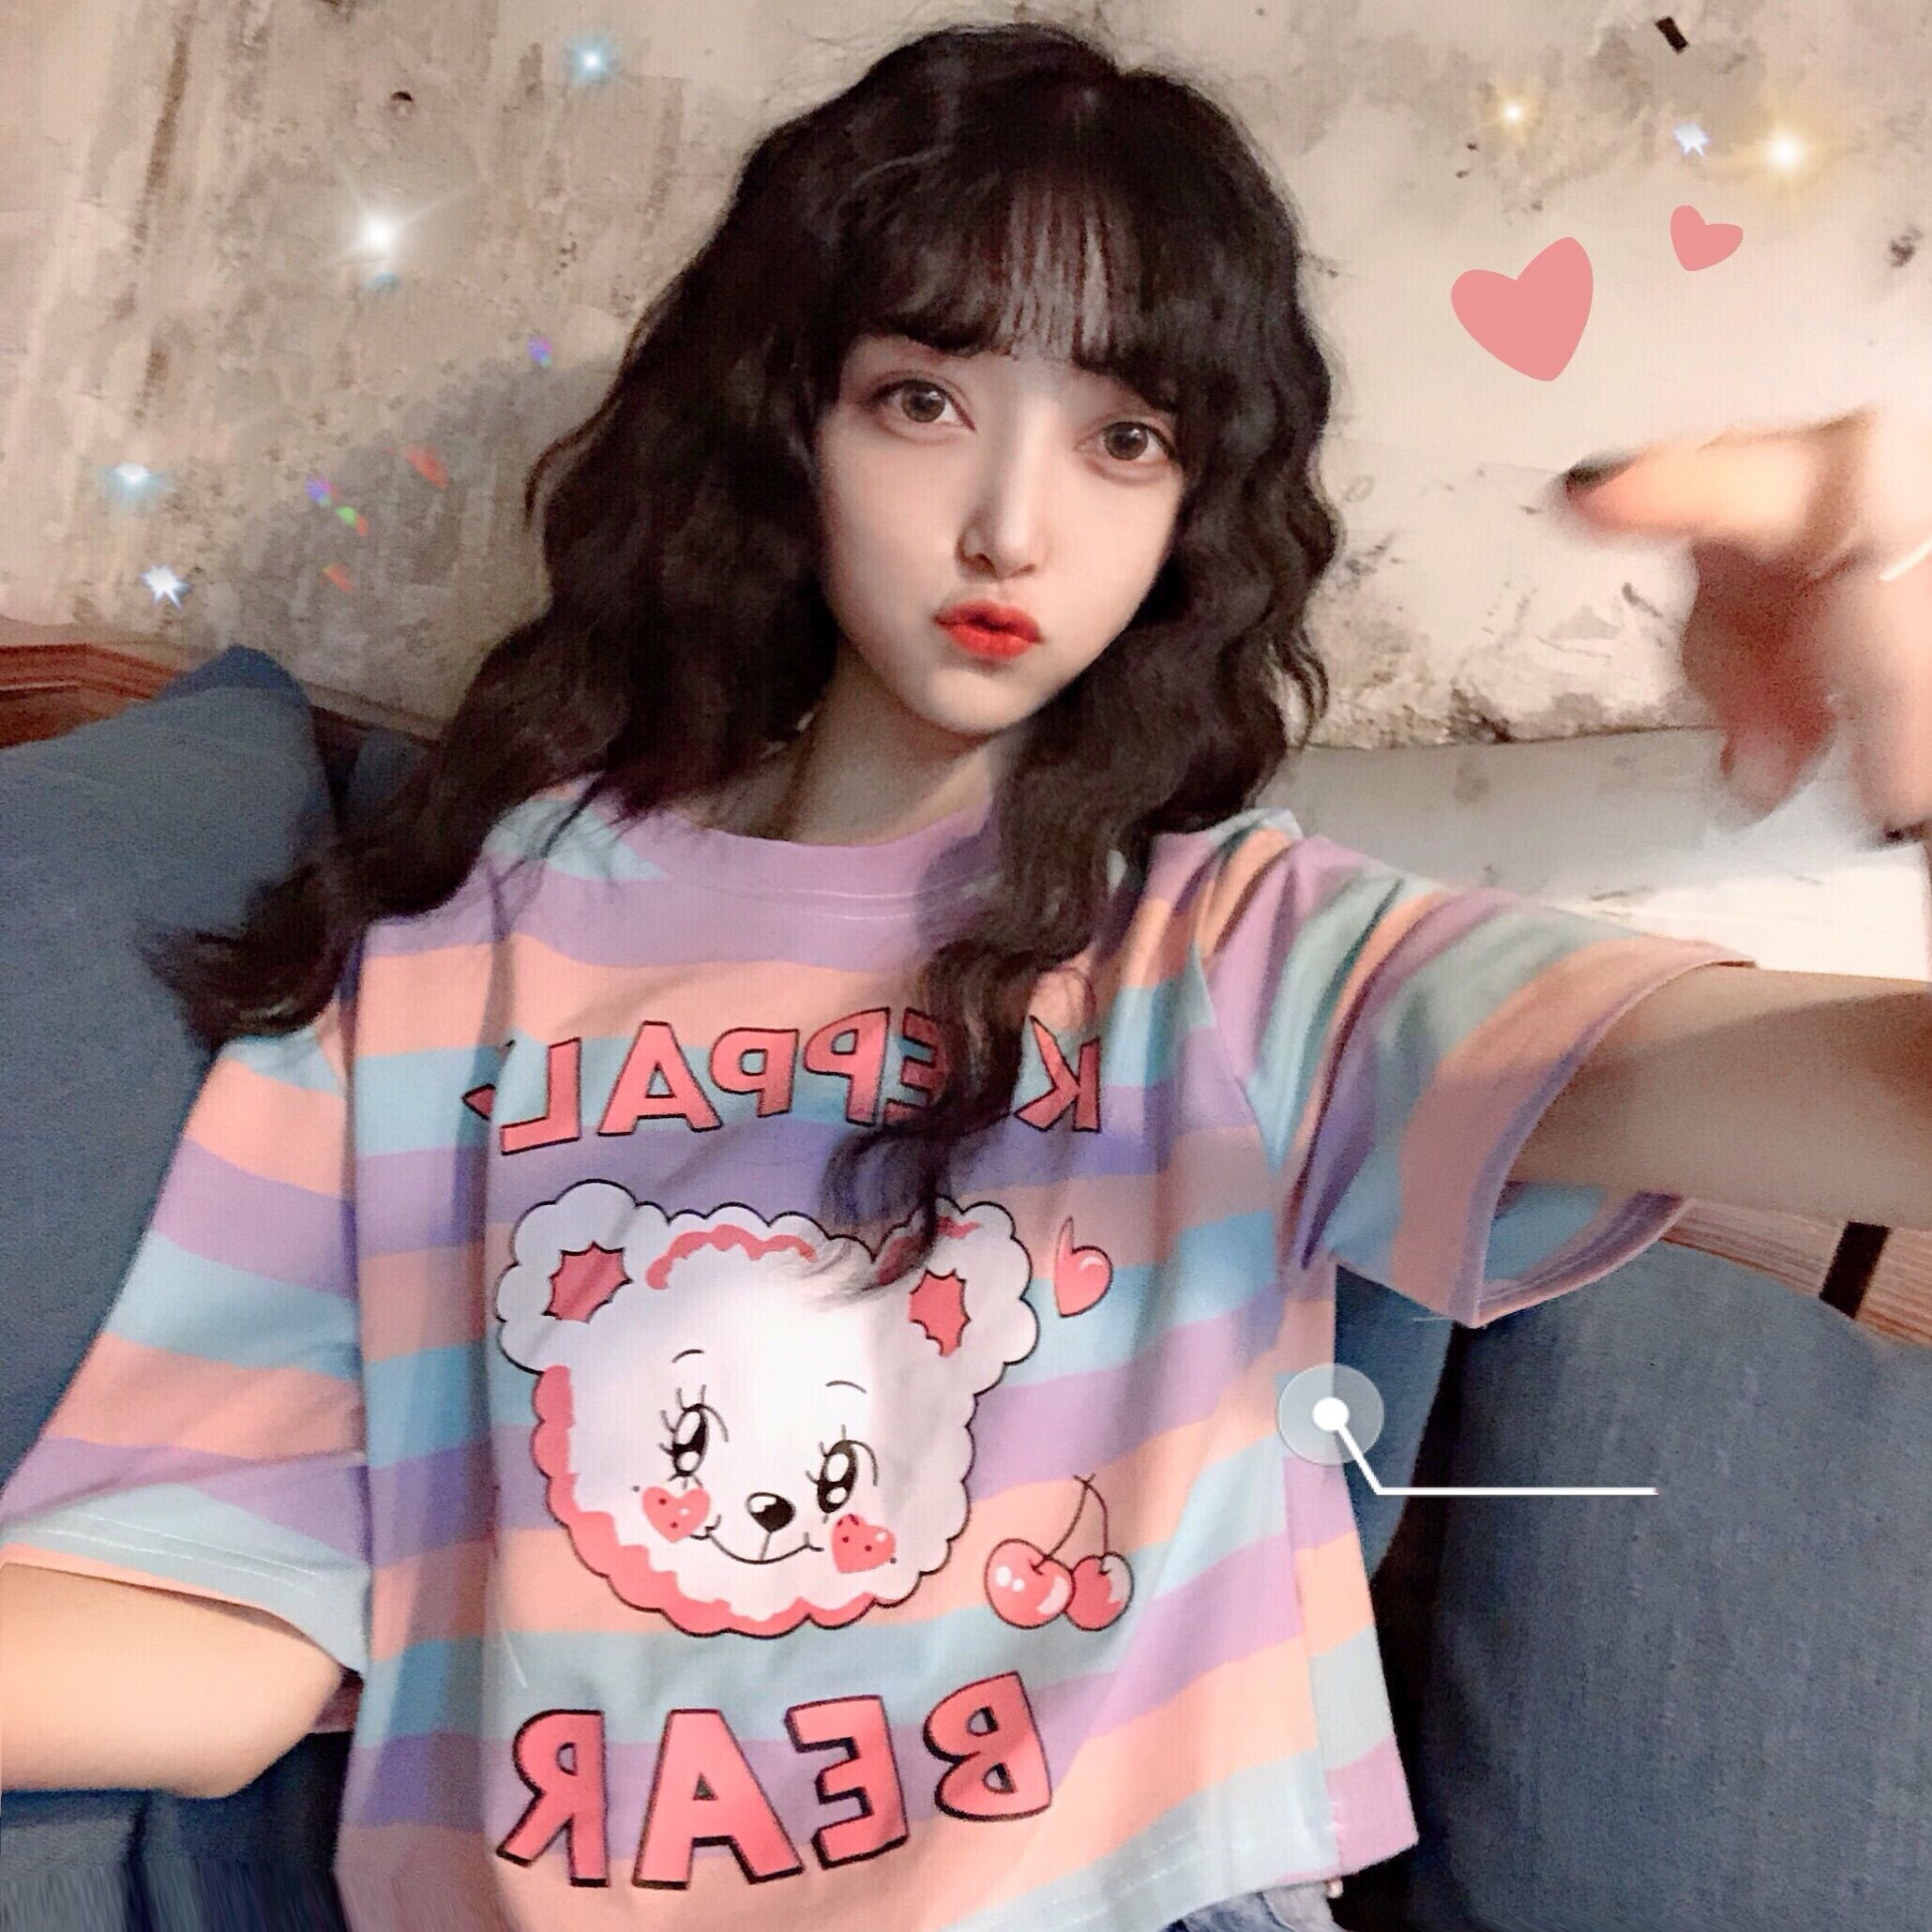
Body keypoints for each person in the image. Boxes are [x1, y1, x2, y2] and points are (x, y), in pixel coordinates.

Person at [0, 20, 1772, 1932]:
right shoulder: (454, 940)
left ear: (1192, 507)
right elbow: (217, 1645)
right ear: (787, 421)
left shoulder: (1243, 958)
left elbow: (1824, 1095)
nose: (1011, 524)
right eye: (923, 399)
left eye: (1123, 437)